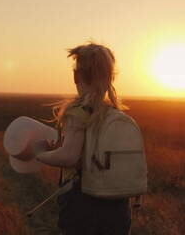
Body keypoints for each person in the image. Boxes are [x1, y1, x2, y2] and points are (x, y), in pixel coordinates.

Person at [32, 41, 132, 235]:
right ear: (110, 77)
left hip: (84, 205)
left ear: (76, 76)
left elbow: (70, 157)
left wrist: (41, 154)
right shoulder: (115, 114)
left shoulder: (79, 112)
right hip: (118, 206)